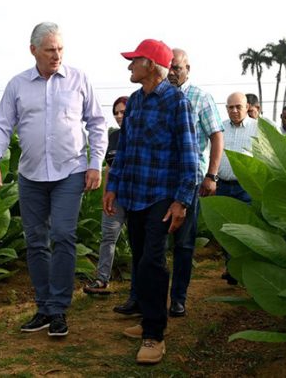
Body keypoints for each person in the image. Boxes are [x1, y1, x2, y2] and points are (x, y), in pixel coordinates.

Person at [0, 22, 107, 337]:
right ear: (33, 50)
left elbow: (96, 122)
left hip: (71, 171)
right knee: (35, 241)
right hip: (31, 174)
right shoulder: (17, 85)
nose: (57, 55)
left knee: (63, 235)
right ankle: (44, 307)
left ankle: (59, 309)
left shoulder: (79, 79)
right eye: (50, 49)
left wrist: (95, 163)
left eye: (60, 49)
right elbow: (1, 125)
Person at [104, 39, 198, 364]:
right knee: (140, 258)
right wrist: (113, 186)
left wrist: (182, 201)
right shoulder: (134, 101)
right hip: (134, 195)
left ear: (152, 65)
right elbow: (124, 150)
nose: (130, 66)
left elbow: (189, 156)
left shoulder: (177, 103)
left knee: (152, 263)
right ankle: (148, 319)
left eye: (135, 60)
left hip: (162, 196)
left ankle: (154, 335)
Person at [166, 48, 224, 317]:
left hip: (190, 179)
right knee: (152, 241)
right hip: (160, 180)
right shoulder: (160, 96)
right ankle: (143, 297)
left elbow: (216, 136)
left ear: (188, 69)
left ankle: (178, 298)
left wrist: (211, 175)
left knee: (184, 243)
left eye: (177, 67)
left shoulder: (201, 98)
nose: (172, 72)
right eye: (168, 67)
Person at [83, 96, 128, 296]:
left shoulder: (141, 134)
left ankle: (141, 282)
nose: (119, 116)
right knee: (108, 237)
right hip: (115, 197)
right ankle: (101, 280)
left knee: (140, 240)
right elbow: (109, 167)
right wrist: (105, 195)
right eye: (116, 113)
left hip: (137, 197)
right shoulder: (114, 137)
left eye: (123, 112)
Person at [216, 92, 258, 284]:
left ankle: (246, 270)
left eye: (238, 107)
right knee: (224, 228)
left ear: (247, 107)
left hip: (247, 187)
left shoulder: (259, 128)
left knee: (247, 229)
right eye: (230, 107)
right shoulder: (220, 127)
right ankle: (231, 267)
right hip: (223, 186)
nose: (234, 110)